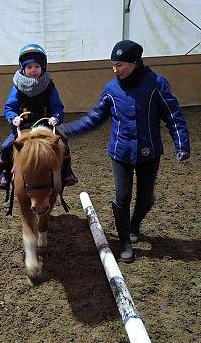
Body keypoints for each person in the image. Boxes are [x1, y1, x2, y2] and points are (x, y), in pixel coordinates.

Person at [57, 40, 190, 262]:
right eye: (113, 65)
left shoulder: (156, 84)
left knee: (146, 198)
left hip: (149, 151)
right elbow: (94, 118)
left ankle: (134, 225)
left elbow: (173, 115)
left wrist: (181, 144)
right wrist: (66, 130)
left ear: (135, 63)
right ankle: (125, 241)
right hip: (121, 152)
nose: (115, 69)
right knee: (122, 197)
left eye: (119, 65)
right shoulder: (111, 89)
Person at [0, 43, 77, 190]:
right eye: (29, 67)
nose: (33, 70)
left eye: (36, 67)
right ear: (23, 68)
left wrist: (57, 117)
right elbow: (9, 107)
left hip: (45, 126)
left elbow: (57, 106)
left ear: (42, 67)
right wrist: (13, 117)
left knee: (63, 142)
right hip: (24, 126)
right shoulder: (17, 86)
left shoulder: (49, 85)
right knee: (6, 146)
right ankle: (4, 174)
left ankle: (67, 172)